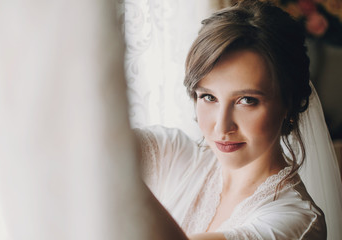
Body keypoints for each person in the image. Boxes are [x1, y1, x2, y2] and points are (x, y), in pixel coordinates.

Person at [135, 0, 341, 239]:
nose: (222, 127)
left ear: (288, 103)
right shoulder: (174, 155)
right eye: (208, 97)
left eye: (247, 100)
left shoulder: (295, 222)